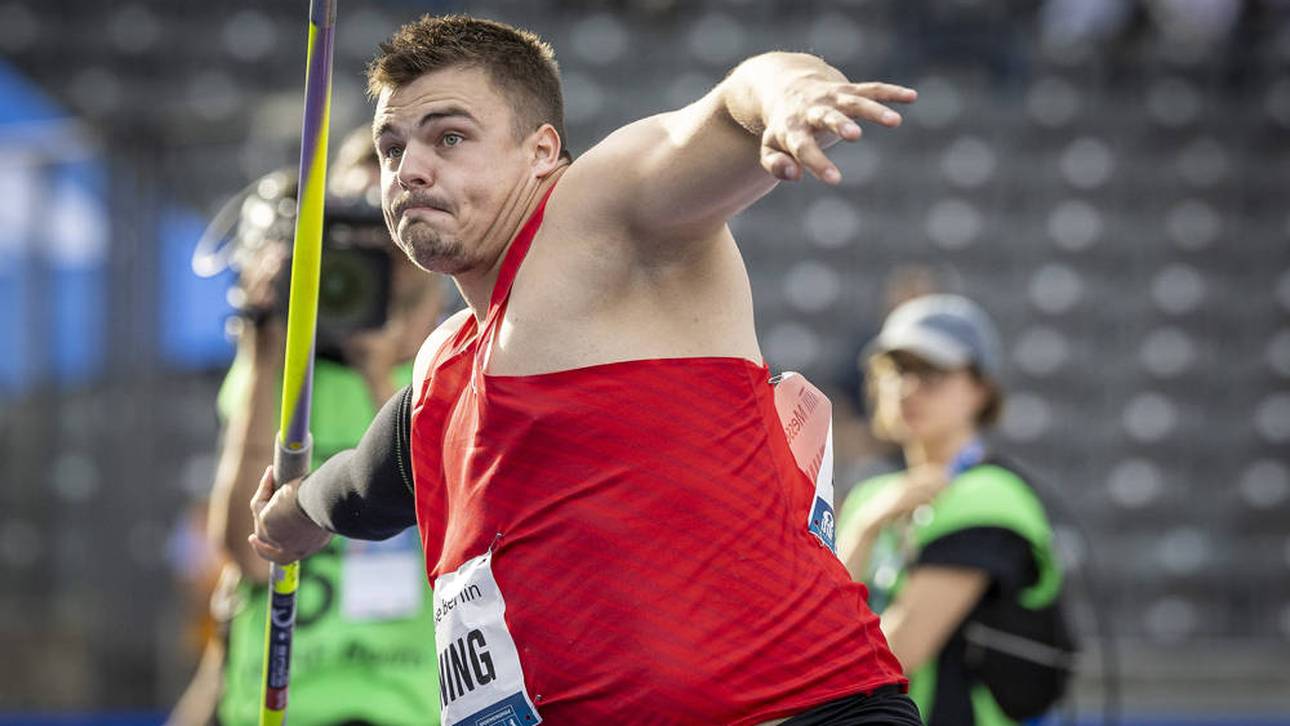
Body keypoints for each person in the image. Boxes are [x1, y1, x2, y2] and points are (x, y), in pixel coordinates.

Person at [250, 14, 924, 724]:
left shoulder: (595, 215)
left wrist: (793, 96)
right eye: (392, 148)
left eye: (449, 137)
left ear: (542, 150)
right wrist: (290, 518)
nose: (409, 168)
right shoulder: (447, 368)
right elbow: (362, 485)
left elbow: (737, 102)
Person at [172, 128, 446, 726]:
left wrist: (381, 374)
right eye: (344, 237)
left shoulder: (445, 379)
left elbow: (452, 544)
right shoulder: (279, 379)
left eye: (387, 239)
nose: (370, 258)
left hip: (404, 707)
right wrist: (266, 349)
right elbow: (245, 553)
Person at [835, 295, 1072, 726]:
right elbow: (820, 635)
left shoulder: (991, 497)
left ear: (981, 388)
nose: (908, 387)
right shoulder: (872, 497)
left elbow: (887, 660)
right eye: (897, 370)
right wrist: (866, 528)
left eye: (933, 371)